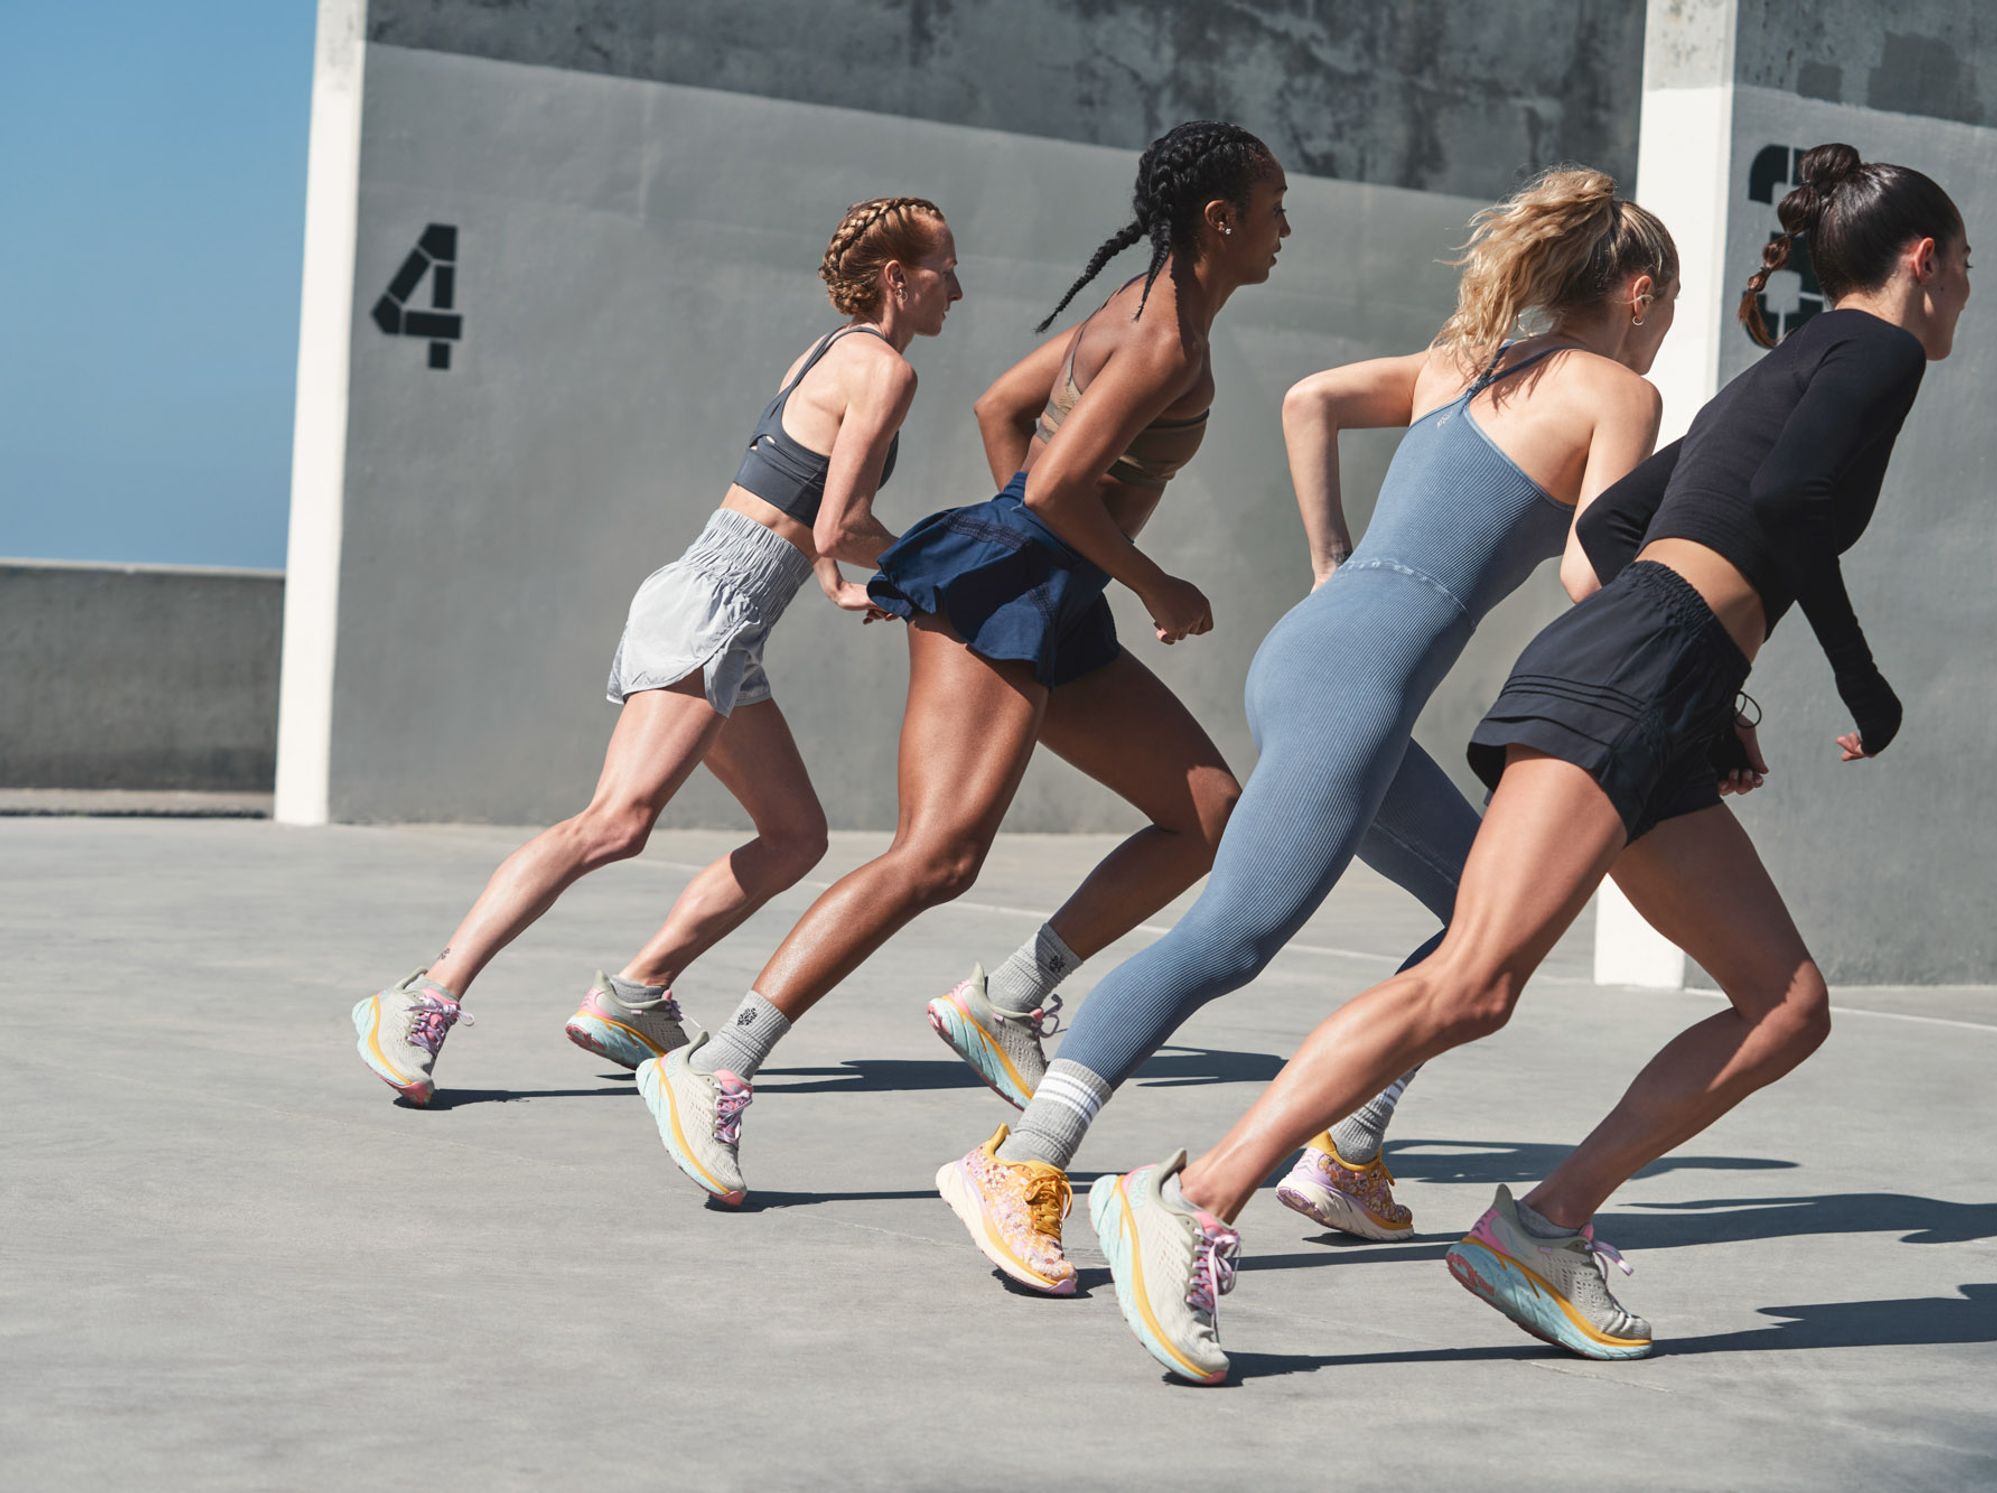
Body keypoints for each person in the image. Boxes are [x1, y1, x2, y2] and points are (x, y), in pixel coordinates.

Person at [1092, 142, 1970, 1382]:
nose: (1961, 300)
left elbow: (1616, 526)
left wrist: (1708, 689)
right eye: (1963, 271)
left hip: (1654, 679)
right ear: (1921, 260)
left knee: (1782, 1005)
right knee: (1472, 979)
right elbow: (1784, 509)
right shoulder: (1873, 350)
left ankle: (1541, 1228)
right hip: (1637, 673)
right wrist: (1859, 682)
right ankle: (1192, 1192)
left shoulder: (1782, 368)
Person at [936, 168, 1682, 1297]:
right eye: (1666, 313)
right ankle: (1018, 1160)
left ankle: (1349, 1150)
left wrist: (1331, 561)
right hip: (1357, 681)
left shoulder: (1461, 362)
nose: (1663, 336)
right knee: (1229, 937)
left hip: (1313, 646)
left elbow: (1308, 399)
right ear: (1637, 292)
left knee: (1483, 914)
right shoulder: (1615, 394)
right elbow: (1589, 571)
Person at [634, 122, 1285, 1208]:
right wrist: (1147, 581)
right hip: (1013, 583)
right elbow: (1049, 491)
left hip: (1044, 584)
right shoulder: (1160, 334)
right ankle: (715, 1061)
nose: (1282, 232)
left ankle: (1010, 991)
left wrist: (1049, 552)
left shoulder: (1135, 307)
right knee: (935, 856)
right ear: (1218, 219)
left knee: (1208, 812)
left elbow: (1004, 412)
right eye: (1272, 209)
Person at [349, 197, 960, 1105]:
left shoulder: (827, 354)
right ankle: (422, 997)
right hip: (710, 606)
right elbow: (840, 518)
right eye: (947, 266)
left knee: (796, 835)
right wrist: (941, 565)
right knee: (615, 821)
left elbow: (812, 520)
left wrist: (842, 579)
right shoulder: (880, 369)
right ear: (896, 279)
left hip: (724, 612)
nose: (960, 286)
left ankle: (635, 997)